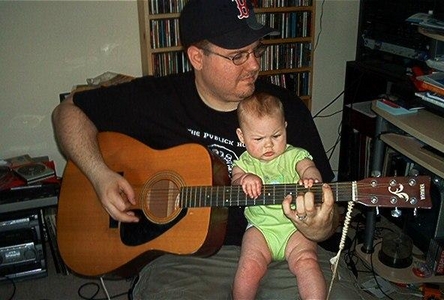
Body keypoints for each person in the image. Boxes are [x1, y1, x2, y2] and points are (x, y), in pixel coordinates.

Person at [52, 0, 338, 290]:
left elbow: (329, 212)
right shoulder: (158, 99)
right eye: (238, 56)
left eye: (256, 49)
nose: (254, 65)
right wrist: (99, 174)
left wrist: (318, 226)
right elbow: (68, 111)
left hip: (285, 249)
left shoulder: (283, 110)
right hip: (182, 258)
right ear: (197, 57)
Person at [231, 92, 326, 299]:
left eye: (276, 136)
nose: (268, 145)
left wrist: (311, 178)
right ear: (241, 136)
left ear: (285, 127)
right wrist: (244, 179)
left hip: (296, 226)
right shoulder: (244, 163)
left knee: (307, 261)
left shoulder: (294, 155)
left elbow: (309, 167)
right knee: (248, 266)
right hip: (260, 228)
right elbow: (235, 181)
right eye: (258, 138)